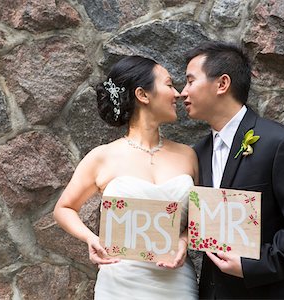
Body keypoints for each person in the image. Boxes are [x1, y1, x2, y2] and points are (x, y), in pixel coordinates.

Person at [180, 41, 284, 299]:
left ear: (222, 84)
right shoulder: (199, 152)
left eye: (190, 81)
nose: (183, 92)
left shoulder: (281, 144)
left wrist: (253, 266)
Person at [54, 56, 199, 299]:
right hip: (120, 283)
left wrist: (183, 241)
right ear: (143, 95)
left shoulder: (188, 155)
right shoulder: (103, 157)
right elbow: (64, 208)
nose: (177, 94)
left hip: (177, 282)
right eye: (169, 84)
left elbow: (202, 218)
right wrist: (92, 239)